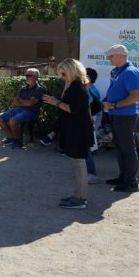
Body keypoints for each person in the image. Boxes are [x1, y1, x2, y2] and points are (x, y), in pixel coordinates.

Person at [42, 59, 94, 209]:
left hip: (78, 130)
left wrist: (55, 102)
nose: (62, 77)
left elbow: (73, 109)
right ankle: (78, 195)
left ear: (71, 71)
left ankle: (81, 198)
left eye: (63, 73)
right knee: (77, 163)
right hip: (75, 129)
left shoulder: (77, 86)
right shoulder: (75, 85)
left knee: (79, 164)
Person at [102, 44, 139, 193]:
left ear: (121, 56)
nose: (109, 58)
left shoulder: (131, 72)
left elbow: (135, 97)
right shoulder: (117, 71)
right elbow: (114, 90)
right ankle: (124, 177)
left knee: (127, 148)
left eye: (111, 56)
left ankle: (131, 182)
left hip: (125, 116)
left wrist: (115, 105)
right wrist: (107, 101)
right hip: (116, 114)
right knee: (119, 147)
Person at [0, 68, 45, 149]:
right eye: (26, 75)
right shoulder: (23, 88)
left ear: (36, 77)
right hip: (19, 109)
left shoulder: (39, 89)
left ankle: (17, 141)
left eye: (29, 75)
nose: (27, 77)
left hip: (31, 112)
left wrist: (21, 101)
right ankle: (10, 137)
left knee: (13, 120)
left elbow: (30, 103)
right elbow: (15, 102)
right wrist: (25, 102)